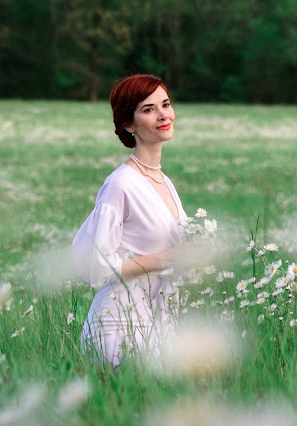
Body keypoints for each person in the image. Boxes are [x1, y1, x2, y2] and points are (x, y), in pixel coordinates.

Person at [72, 74, 187, 369]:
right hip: (119, 320)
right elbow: (95, 266)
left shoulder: (164, 181)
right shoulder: (120, 184)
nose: (163, 115)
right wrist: (162, 259)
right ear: (128, 124)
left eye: (166, 104)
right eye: (148, 109)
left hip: (157, 317)